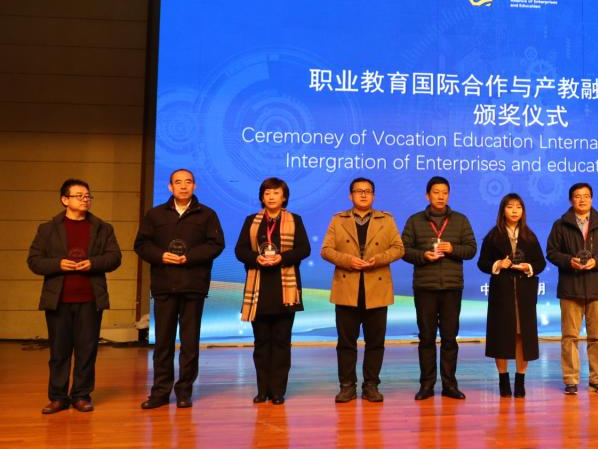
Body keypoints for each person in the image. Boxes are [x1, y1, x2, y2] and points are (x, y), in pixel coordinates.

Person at [28, 179, 122, 414]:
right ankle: (58, 397)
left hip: (90, 299)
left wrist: (93, 263)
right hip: (58, 300)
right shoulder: (48, 229)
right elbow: (34, 261)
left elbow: (114, 258)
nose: (85, 199)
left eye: (88, 195)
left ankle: (81, 395)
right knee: (59, 352)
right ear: (65, 200)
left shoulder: (103, 228)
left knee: (87, 351)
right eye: (79, 195)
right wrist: (58, 264)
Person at [134, 169, 225, 409]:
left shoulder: (207, 214)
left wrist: (190, 257)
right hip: (164, 285)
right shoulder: (155, 214)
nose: (183, 186)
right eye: (178, 182)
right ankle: (160, 392)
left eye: (188, 182)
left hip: (193, 285)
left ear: (194, 186)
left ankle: (184, 391)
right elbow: (141, 245)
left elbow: (216, 245)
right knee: (162, 343)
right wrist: (161, 256)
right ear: (170, 187)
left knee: (189, 343)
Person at [322, 177, 404, 403]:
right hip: (347, 288)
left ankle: (371, 385)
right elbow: (326, 250)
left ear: (373, 196)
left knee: (375, 342)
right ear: (351, 195)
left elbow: (399, 248)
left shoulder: (386, 220)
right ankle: (347, 386)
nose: (364, 194)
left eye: (368, 191)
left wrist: (379, 259)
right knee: (346, 343)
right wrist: (348, 260)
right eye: (359, 191)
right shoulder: (338, 219)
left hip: (376, 288)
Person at [235, 177, 311, 404]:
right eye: (267, 193)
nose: (271, 197)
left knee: (281, 342)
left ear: (284, 197)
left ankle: (277, 391)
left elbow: (304, 249)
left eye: (276, 193)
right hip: (258, 289)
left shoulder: (295, 219)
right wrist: (256, 258)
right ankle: (262, 390)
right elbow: (240, 250)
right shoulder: (251, 220)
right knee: (261, 343)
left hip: (285, 290)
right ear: (262, 197)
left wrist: (282, 258)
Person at [401, 176, 477, 400]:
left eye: (444, 192)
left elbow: (471, 249)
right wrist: (423, 255)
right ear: (427, 195)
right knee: (426, 338)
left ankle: (449, 385)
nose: (441, 196)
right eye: (436, 192)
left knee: (449, 338)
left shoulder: (460, 220)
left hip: (452, 287)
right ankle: (426, 385)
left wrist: (453, 249)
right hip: (425, 287)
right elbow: (403, 249)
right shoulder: (415, 220)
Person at [546, 182, 598, 396]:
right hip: (571, 287)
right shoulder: (561, 224)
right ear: (571, 200)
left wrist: (597, 261)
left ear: (592, 199)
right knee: (570, 336)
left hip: (597, 287)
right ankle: (570, 379)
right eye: (578, 196)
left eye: (586, 196)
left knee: (597, 337)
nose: (582, 199)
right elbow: (551, 252)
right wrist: (569, 261)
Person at [477, 193, 546, 398]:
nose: (515, 211)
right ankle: (503, 380)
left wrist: (528, 267)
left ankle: (520, 380)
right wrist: (498, 264)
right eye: (510, 207)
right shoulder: (493, 236)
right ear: (503, 211)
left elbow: (541, 263)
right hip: (502, 292)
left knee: (521, 336)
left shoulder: (529, 236)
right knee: (501, 336)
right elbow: (482, 263)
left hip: (525, 293)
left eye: (518, 207)